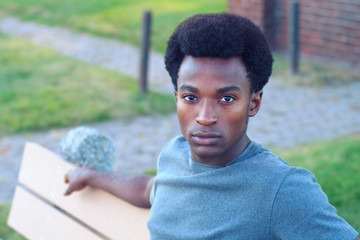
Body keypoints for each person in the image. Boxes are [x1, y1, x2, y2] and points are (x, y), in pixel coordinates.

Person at [64, 12, 359, 239]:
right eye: (190, 97)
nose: (205, 116)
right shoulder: (173, 154)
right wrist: (91, 176)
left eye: (227, 98)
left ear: (253, 103)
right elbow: (150, 189)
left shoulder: (281, 189)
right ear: (176, 98)